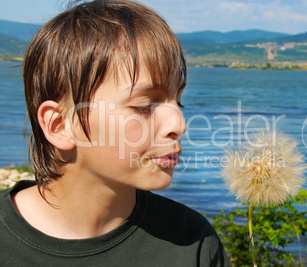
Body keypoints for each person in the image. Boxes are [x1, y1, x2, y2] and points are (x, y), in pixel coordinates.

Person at [0, 0, 231, 265]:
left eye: (177, 100)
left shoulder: (192, 242)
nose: (179, 124)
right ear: (59, 125)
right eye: (143, 106)